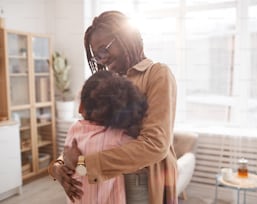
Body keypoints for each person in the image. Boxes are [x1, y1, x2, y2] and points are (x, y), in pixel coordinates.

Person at [48, 10, 178, 204]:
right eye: (96, 56)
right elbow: (86, 134)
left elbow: (155, 145)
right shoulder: (108, 82)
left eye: (104, 50)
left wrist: (83, 164)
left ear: (125, 37)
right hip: (104, 183)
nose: (102, 60)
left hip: (141, 181)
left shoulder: (156, 74)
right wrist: (58, 167)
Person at [60, 70, 148, 203]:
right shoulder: (120, 138)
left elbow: (68, 161)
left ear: (83, 106)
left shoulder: (75, 129)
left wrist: (74, 164)